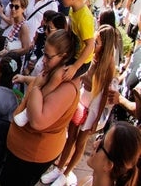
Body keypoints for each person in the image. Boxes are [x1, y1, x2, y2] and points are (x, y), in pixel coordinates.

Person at [41, 25, 119, 186]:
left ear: (105, 45)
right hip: (81, 103)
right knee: (70, 137)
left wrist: (96, 119)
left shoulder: (109, 67)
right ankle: (59, 168)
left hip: (92, 110)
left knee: (80, 142)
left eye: (96, 43)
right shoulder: (89, 58)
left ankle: (67, 173)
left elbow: (105, 96)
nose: (93, 45)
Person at [2, 29, 81, 186]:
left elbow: (38, 121)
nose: (43, 60)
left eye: (48, 56)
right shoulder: (52, 72)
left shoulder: (67, 88)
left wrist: (36, 88)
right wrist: (28, 80)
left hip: (32, 155)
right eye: (44, 53)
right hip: (21, 150)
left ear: (64, 57)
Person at [79, 121, 140, 186]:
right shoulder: (86, 181)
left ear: (108, 165)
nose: (95, 144)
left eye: (101, 144)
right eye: (101, 137)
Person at [62, 0, 96, 81]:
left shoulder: (84, 18)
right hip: (73, 52)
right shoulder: (73, 10)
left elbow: (90, 46)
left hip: (82, 61)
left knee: (60, 75)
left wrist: (75, 67)